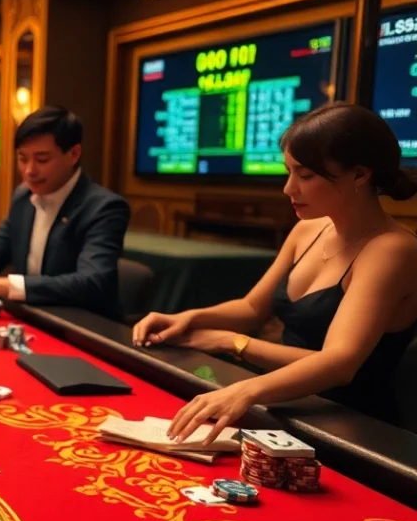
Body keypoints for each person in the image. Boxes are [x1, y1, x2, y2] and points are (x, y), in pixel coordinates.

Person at [130, 103, 417, 440]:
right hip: (286, 408)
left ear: (359, 174)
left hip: (352, 430)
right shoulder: (309, 229)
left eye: (305, 175)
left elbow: (340, 363)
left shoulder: (393, 250)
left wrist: (233, 346)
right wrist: (189, 318)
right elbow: (251, 308)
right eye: (289, 172)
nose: (288, 188)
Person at [0, 106, 130, 320]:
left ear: (74, 154)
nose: (30, 171)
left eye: (42, 159)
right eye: (22, 159)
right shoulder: (23, 196)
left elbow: (91, 283)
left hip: (85, 328)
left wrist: (3, 285)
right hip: (34, 317)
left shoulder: (104, 207)